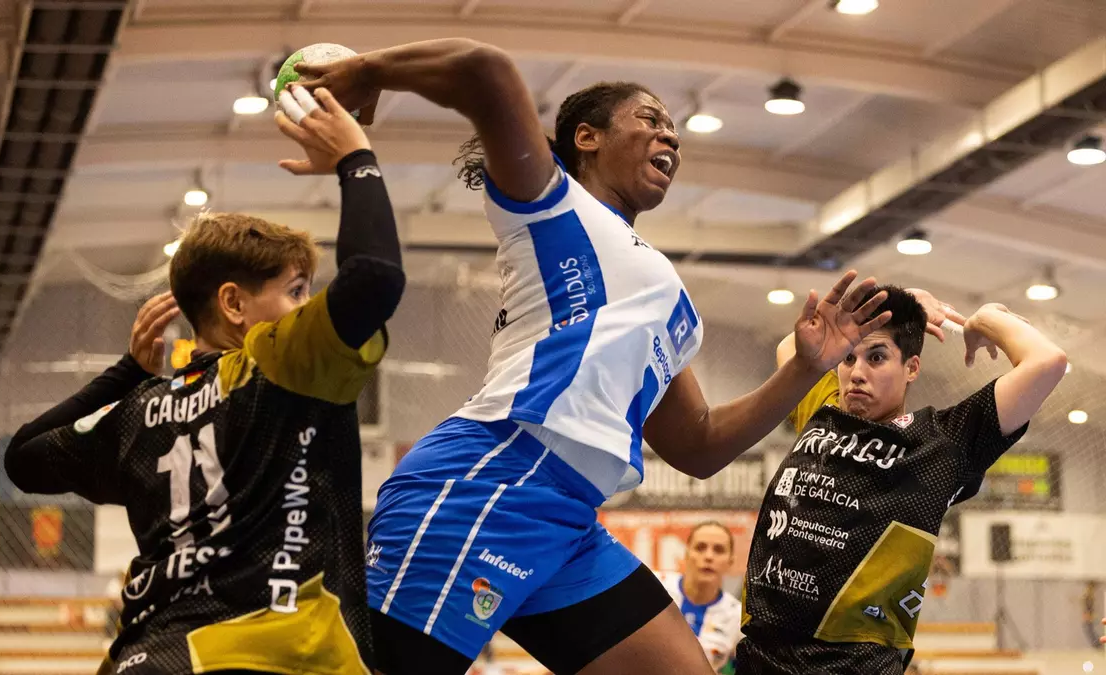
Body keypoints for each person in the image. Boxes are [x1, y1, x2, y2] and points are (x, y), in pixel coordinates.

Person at [292, 38, 893, 675]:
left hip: (570, 517)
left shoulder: (669, 297)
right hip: (490, 480)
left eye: (674, 130)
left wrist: (803, 368)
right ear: (587, 138)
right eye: (650, 119)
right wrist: (368, 71)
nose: (670, 136)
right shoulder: (549, 203)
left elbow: (698, 445)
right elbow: (485, 70)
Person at [4, 89, 404, 675]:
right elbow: (374, 276)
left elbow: (22, 458)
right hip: (275, 657)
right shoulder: (277, 362)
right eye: (296, 291)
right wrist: (356, 159)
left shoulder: (137, 411)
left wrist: (127, 373)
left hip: (148, 657)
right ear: (234, 304)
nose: (307, 307)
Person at [737, 287, 1068, 674]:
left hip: (852, 665)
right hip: (761, 655)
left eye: (877, 358)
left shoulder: (943, 442)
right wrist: (902, 299)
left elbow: (1047, 361)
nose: (856, 373)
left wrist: (984, 321)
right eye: (848, 358)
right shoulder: (824, 409)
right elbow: (793, 348)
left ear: (912, 368)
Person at [660, 522, 743, 674]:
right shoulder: (656, 588)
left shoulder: (737, 617)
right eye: (700, 548)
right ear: (686, 554)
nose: (708, 556)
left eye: (719, 550)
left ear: (730, 562)